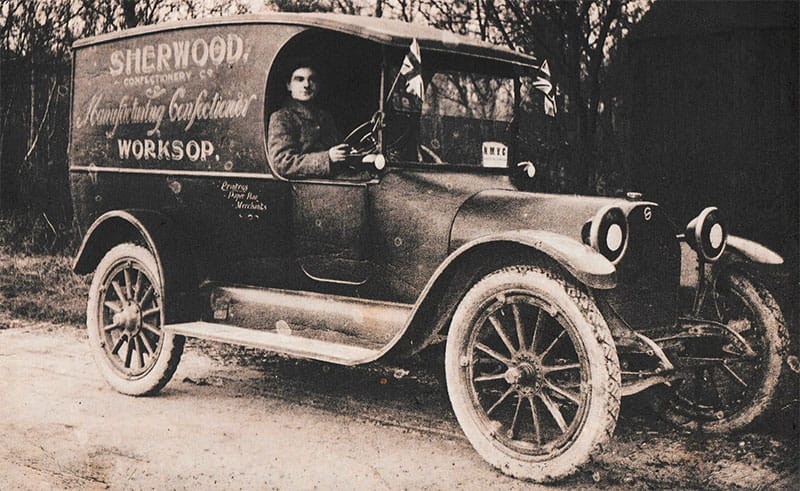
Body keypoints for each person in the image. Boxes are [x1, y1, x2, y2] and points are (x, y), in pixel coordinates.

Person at [267, 64, 350, 178]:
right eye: (299, 79)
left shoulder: (325, 117)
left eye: (312, 80)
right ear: (289, 85)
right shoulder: (282, 118)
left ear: (318, 85)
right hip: (306, 188)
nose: (306, 85)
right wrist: (327, 158)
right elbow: (283, 163)